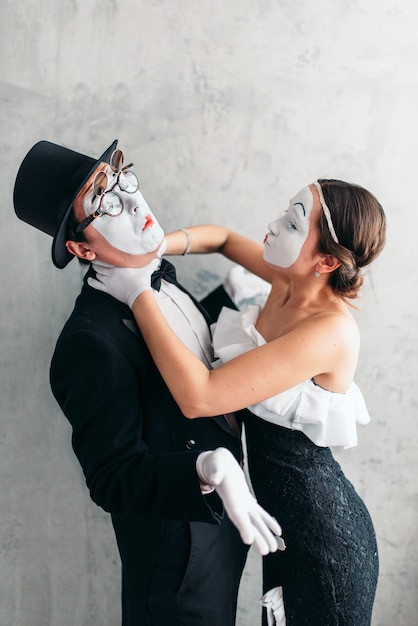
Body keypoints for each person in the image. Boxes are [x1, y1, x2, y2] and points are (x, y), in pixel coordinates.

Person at [89, 179, 386, 625]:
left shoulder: (330, 331)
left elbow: (199, 396)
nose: (272, 225)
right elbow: (224, 239)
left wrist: (137, 291)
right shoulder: (289, 279)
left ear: (324, 260)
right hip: (282, 530)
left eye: (292, 223)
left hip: (325, 541)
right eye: (286, 210)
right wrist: (152, 252)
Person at [13, 139, 283, 626]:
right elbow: (112, 479)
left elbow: (176, 350)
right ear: (80, 247)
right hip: (179, 558)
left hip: (228, 524)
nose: (135, 203)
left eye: (123, 182)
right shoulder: (87, 343)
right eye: (106, 203)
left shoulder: (153, 269)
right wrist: (207, 467)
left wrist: (228, 296)